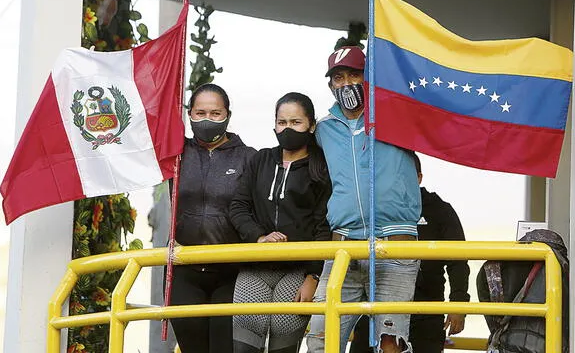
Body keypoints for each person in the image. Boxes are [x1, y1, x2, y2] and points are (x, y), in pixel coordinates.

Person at [305, 46, 422, 353]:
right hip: (344, 246)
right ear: (330, 85)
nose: (346, 84)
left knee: (390, 344)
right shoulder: (324, 129)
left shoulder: (397, 114)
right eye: (338, 77)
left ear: (369, 77)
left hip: (394, 244)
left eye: (354, 74)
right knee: (320, 338)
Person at [229, 92, 332, 353]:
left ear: (311, 125)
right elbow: (239, 207)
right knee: (244, 345)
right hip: (255, 268)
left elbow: (324, 225)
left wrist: (313, 276)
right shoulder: (260, 160)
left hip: (297, 272)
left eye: (296, 122)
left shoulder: (321, 168)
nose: (287, 129)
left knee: (283, 344)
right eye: (282, 122)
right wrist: (259, 237)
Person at [350, 153, 470, 353]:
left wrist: (459, 305)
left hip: (426, 313)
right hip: (374, 311)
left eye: (404, 174)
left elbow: (458, 262)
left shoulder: (440, 210)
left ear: (419, 178)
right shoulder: (370, 210)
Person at [168, 83, 256, 353]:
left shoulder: (249, 157)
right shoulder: (175, 154)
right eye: (200, 112)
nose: (207, 119)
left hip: (231, 273)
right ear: (189, 114)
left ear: (228, 115)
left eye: (215, 113)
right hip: (184, 269)